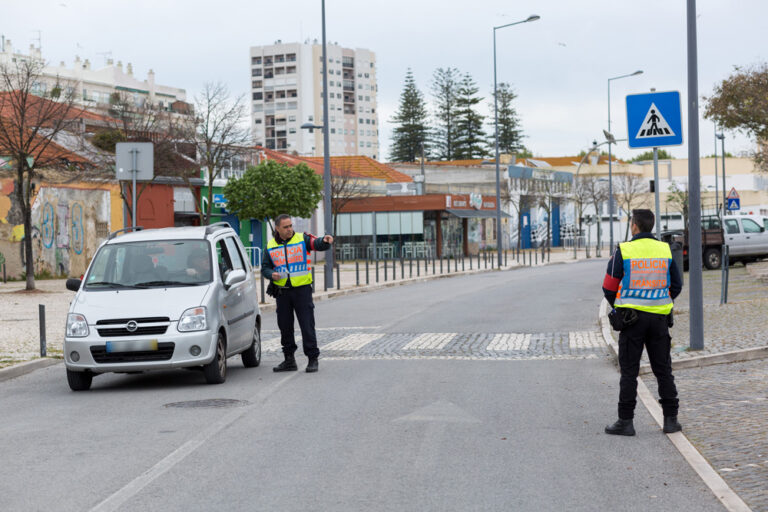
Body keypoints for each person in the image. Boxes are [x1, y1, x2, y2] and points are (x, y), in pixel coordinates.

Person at [602, 209, 683, 436]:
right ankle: (670, 420)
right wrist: (661, 301)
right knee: (663, 370)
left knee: (629, 372)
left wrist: (620, 307)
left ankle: (625, 422)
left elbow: (608, 287)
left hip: (632, 321)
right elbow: (676, 285)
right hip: (659, 320)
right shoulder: (664, 250)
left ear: (634, 226)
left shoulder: (625, 250)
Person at [261, 214, 333, 373]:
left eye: (290, 226)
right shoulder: (270, 245)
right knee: (285, 327)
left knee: (307, 325)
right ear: (278, 228)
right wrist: (270, 274)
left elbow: (316, 243)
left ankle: (312, 359)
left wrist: (325, 241)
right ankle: (289, 360)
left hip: (302, 290)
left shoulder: (302, 239)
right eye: (285, 227)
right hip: (282, 292)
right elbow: (264, 267)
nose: (289, 229)